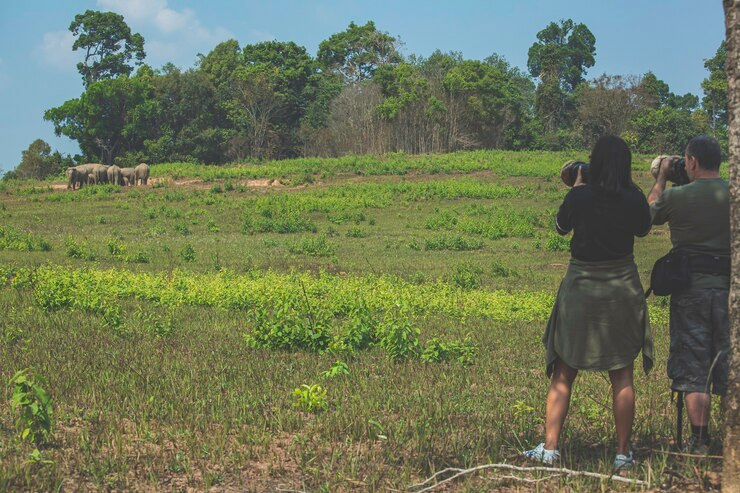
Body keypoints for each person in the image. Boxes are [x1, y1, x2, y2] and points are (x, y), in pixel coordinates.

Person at [523, 135, 653, 469]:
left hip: (581, 288)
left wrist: (578, 186)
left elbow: (559, 227)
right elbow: (643, 228)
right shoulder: (633, 197)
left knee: (564, 371)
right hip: (622, 287)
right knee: (622, 373)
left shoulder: (580, 196)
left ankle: (550, 448)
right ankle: (623, 453)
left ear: (592, 163)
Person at [647, 135, 730, 454]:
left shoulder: (678, 196)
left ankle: (699, 439)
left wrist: (663, 177)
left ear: (691, 161)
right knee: (729, 360)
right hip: (728, 290)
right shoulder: (732, 194)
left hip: (691, 290)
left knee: (695, 366)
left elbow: (647, 216)